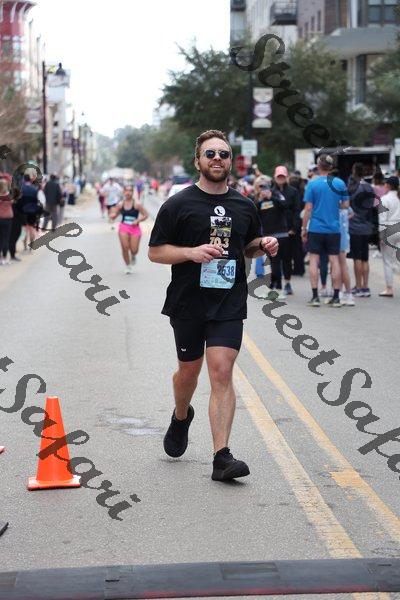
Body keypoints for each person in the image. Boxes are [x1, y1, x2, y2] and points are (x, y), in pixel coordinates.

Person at [148, 129, 278, 481]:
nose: (217, 159)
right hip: (188, 302)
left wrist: (263, 245)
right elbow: (155, 252)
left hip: (228, 301)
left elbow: (246, 246)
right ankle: (181, 416)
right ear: (198, 161)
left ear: (230, 161)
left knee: (221, 371)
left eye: (223, 154)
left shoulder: (244, 205)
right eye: (210, 154)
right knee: (188, 373)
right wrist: (191, 252)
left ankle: (222, 457)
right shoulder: (178, 204)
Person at [301, 154, 349, 307]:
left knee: (313, 260)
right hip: (334, 229)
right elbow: (346, 205)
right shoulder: (340, 183)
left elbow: (308, 208)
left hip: (316, 228)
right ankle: (336, 297)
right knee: (334, 260)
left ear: (318, 166)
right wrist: (335, 205)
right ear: (331, 167)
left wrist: (304, 228)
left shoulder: (312, 184)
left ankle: (315, 296)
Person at [254, 176, 291, 298]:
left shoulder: (276, 196)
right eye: (261, 188)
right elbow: (254, 214)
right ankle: (273, 288)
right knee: (272, 263)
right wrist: (260, 200)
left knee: (277, 263)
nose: (263, 190)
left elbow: (286, 205)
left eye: (265, 187)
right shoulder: (259, 201)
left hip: (281, 235)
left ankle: (278, 289)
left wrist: (272, 198)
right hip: (268, 236)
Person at [348, 163, 375, 297]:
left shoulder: (353, 188)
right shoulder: (370, 187)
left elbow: (347, 205)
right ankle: (365, 286)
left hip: (355, 227)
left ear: (354, 172)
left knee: (357, 258)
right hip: (367, 227)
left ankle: (358, 286)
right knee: (365, 258)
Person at [271, 165, 299, 294]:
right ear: (275, 177)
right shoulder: (271, 192)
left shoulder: (293, 191)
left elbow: (297, 211)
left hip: (289, 230)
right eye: (279, 176)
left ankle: (287, 283)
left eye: (283, 176)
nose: (281, 178)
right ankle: (277, 285)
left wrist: (294, 228)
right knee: (274, 260)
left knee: (287, 259)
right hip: (274, 230)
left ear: (286, 177)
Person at [110, 185, 148, 273]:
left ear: (132, 192)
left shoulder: (137, 204)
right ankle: (128, 266)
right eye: (126, 190)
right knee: (125, 247)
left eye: (130, 191)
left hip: (135, 228)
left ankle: (133, 255)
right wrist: (113, 216)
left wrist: (137, 220)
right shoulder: (120, 204)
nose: (128, 192)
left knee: (134, 250)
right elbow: (115, 214)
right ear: (124, 192)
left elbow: (146, 215)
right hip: (124, 227)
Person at [378, 176, 400, 297]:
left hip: (389, 231)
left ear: (388, 185)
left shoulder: (384, 199)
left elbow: (382, 219)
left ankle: (389, 288)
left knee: (387, 261)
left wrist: (381, 235)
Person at [0, 179, 13, 265]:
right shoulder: (9, 196)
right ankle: (4, 257)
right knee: (6, 238)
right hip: (8, 218)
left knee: (0, 238)